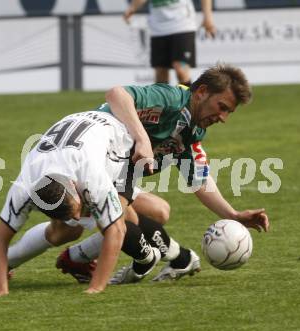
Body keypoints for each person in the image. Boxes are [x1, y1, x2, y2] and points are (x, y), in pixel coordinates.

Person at [56, 63, 270, 283]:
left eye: (229, 112)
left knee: (156, 212)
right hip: (87, 160)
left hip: (114, 174)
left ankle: (78, 258)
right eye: (222, 107)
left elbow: (200, 181)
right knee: (73, 227)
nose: (223, 118)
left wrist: (233, 215)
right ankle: (172, 257)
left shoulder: (193, 130)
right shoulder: (171, 99)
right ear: (202, 92)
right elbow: (116, 94)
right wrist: (142, 138)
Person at [0, 110, 194, 296]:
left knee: (133, 217)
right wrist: (0, 290)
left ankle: (154, 258)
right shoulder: (24, 188)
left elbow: (116, 231)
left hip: (118, 142)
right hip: (82, 143)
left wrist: (96, 288)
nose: (77, 216)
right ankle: (11, 261)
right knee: (66, 231)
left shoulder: (92, 178)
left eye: (76, 210)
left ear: (75, 187)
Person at [124, 0, 216, 86]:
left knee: (181, 70)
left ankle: (187, 102)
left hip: (183, 25)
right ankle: (162, 103)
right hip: (158, 29)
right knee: (160, 73)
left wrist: (208, 18)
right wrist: (132, 8)